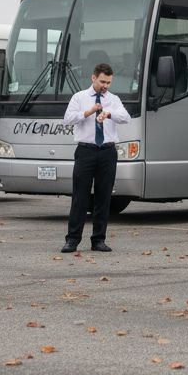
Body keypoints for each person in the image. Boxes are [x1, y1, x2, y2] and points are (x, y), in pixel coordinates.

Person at [61, 63, 129, 253]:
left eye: (108, 82)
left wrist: (109, 114)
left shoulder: (113, 99)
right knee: (80, 196)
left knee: (103, 196)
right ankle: (72, 239)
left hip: (107, 152)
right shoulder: (80, 97)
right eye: (102, 81)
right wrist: (88, 112)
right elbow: (67, 119)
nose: (105, 86)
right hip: (86, 151)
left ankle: (98, 239)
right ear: (93, 78)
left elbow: (125, 117)